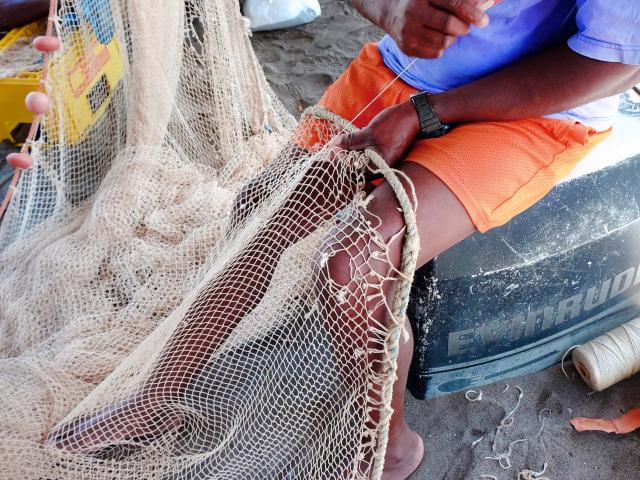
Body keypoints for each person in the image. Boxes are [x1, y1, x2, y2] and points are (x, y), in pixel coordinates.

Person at [47, 1, 640, 479]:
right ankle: (159, 394)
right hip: (403, 69)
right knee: (258, 212)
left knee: (355, 266)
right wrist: (391, 10)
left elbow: (612, 63)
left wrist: (425, 114)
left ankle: (394, 444)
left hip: (536, 109)